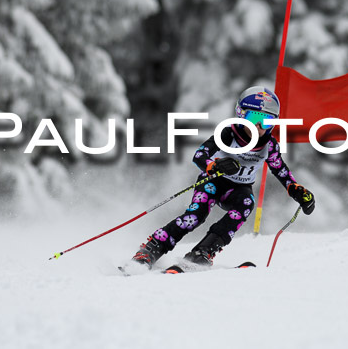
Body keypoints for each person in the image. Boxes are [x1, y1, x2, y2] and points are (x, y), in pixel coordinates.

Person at [131, 86, 316, 269]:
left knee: (246, 204)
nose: (258, 127)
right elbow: (199, 155)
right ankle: (151, 249)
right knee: (196, 216)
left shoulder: (269, 146)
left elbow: (280, 170)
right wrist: (214, 166)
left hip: (238, 189)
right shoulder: (229, 133)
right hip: (212, 182)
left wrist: (297, 191)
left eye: (267, 122)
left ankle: (202, 251)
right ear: (240, 114)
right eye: (254, 118)